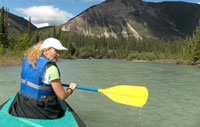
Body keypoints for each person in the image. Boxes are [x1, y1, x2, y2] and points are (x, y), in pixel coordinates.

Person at [8, 38, 77, 119]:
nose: (59, 54)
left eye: (59, 52)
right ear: (45, 50)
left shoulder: (29, 60)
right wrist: (70, 89)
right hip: (41, 109)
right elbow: (62, 96)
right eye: (56, 51)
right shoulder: (51, 68)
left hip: (22, 103)